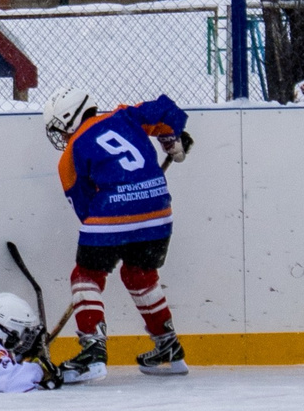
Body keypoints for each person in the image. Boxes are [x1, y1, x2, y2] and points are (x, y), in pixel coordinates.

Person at [41, 86, 193, 379]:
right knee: (140, 275)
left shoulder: (70, 155)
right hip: (159, 210)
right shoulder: (125, 115)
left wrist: (112, 224)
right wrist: (171, 140)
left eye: (61, 129)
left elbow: (85, 210)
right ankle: (169, 347)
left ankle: (92, 352)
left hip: (111, 215)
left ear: (70, 117)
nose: (61, 137)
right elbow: (166, 108)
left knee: (86, 276)